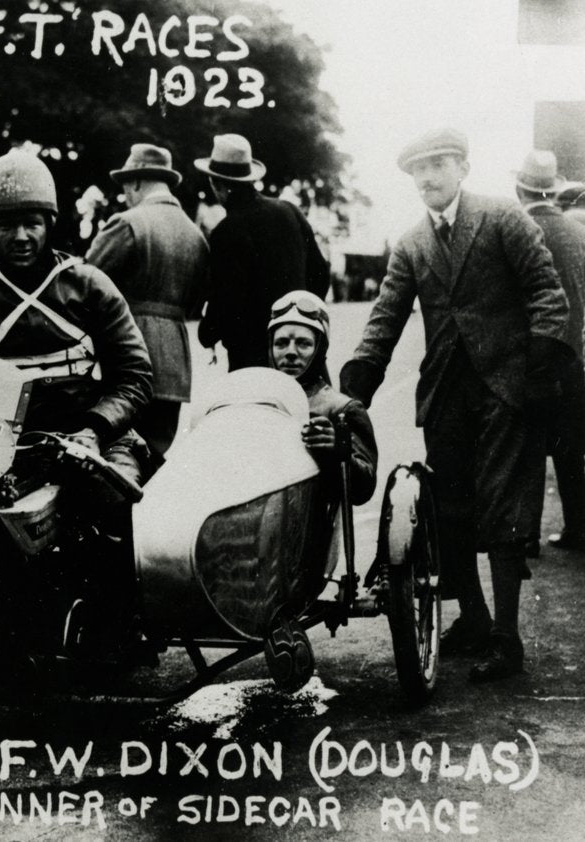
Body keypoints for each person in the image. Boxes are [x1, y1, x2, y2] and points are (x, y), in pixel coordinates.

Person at [340, 128, 571, 683]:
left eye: (437, 166)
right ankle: (472, 618)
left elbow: (547, 293)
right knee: (450, 510)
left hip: (504, 388)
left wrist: (537, 367)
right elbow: (385, 319)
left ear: (463, 167)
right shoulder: (413, 243)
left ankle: (506, 639)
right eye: (416, 171)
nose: (426, 179)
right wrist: (355, 388)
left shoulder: (503, 219)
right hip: (446, 392)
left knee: (502, 512)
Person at [0, 149, 153, 653]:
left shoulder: (89, 285)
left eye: (32, 224)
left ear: (50, 225)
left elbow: (135, 375)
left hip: (89, 436)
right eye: (8, 225)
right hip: (7, 442)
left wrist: (95, 429)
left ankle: (120, 630)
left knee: (115, 504)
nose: (20, 237)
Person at [85, 143, 209, 456]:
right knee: (155, 454)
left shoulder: (128, 222)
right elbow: (196, 302)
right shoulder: (195, 235)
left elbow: (85, 284)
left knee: (117, 456)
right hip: (175, 364)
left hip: (126, 357)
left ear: (137, 182)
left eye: (126, 187)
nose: (125, 195)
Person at [195, 134, 330, 370]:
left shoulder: (226, 231)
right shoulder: (290, 211)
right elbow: (320, 273)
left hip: (252, 358)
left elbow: (225, 300)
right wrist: (303, 319)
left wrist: (207, 333)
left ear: (218, 184)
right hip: (298, 350)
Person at [514, 150, 585, 554]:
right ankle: (578, 528)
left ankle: (526, 536)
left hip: (531, 357)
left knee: (527, 451)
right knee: (570, 450)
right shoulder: (578, 233)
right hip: (573, 358)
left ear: (518, 188)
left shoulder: (517, 229)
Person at [268, 291, 377, 506]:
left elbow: (364, 489)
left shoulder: (342, 408)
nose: (290, 352)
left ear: (320, 350)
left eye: (303, 344)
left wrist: (338, 451)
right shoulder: (256, 400)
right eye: (281, 343)